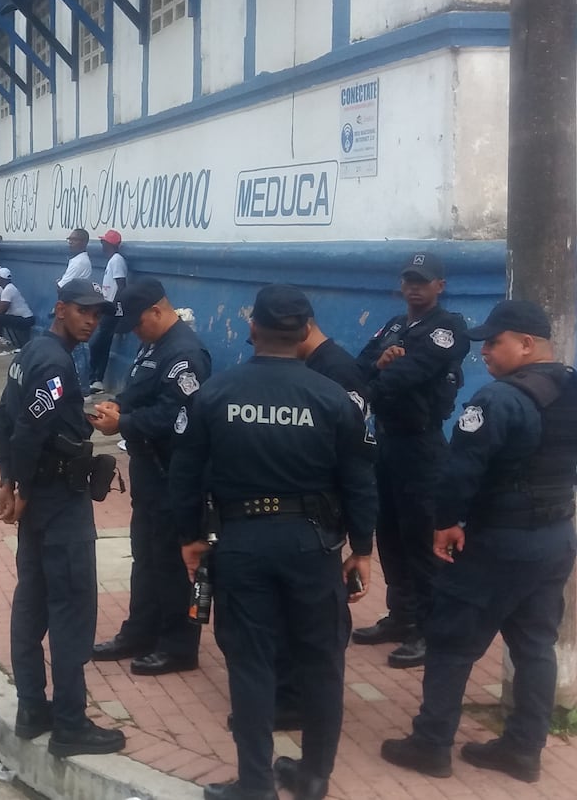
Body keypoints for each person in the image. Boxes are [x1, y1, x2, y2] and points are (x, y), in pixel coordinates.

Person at [172, 284, 377, 800]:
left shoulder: (215, 394)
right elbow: (359, 480)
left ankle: (256, 784)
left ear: (252, 329)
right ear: (306, 330)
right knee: (322, 662)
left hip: (241, 544)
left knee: (251, 661)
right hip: (314, 546)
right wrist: (364, 548)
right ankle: (313, 778)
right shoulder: (333, 399)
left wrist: (189, 539)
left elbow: (185, 476)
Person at [381, 299, 577, 784]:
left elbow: (459, 473)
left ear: (527, 344)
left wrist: (446, 522)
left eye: (495, 342)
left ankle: (431, 744)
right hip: (554, 538)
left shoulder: (499, 400)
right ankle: (522, 750)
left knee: (450, 641)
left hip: (498, 541)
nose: (484, 352)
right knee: (535, 646)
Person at [0, 280, 126, 759]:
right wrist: (21, 487)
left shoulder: (32, 352)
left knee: (33, 601)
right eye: (84, 311)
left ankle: (32, 710)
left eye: (98, 314)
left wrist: (7, 479)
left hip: (39, 498)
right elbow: (26, 429)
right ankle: (70, 723)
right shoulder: (53, 362)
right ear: (61, 308)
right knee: (70, 610)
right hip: (57, 503)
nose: (92, 320)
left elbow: (3, 420)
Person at [89, 277, 211, 675]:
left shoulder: (185, 354)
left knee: (173, 562)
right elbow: (142, 394)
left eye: (138, 324)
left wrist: (124, 423)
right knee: (146, 556)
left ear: (157, 311)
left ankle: (178, 646)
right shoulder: (154, 345)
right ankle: (140, 631)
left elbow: (177, 415)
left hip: (173, 473)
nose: (135, 334)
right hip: (148, 470)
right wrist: (116, 406)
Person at [353, 252, 470, 669]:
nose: (414, 287)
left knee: (421, 537)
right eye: (409, 280)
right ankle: (401, 616)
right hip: (385, 441)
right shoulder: (395, 325)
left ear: (440, 285)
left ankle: (428, 628)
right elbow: (360, 364)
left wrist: (375, 379)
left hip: (420, 446)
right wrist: (380, 366)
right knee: (389, 532)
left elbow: (413, 373)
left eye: (423, 280)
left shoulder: (448, 328)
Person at [88, 230, 128, 393]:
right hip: (107, 307)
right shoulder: (113, 260)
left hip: (111, 309)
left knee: (96, 343)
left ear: (110, 244)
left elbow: (121, 285)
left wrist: (113, 305)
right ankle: (97, 380)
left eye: (103, 243)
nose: (101, 246)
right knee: (103, 345)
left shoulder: (117, 260)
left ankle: (91, 377)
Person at [58, 229, 94, 394]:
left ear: (84, 242)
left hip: (77, 307)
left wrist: (57, 284)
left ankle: (83, 389)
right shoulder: (77, 260)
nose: (71, 242)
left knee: (79, 350)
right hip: (74, 305)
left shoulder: (80, 262)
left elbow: (61, 287)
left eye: (75, 240)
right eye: (70, 239)